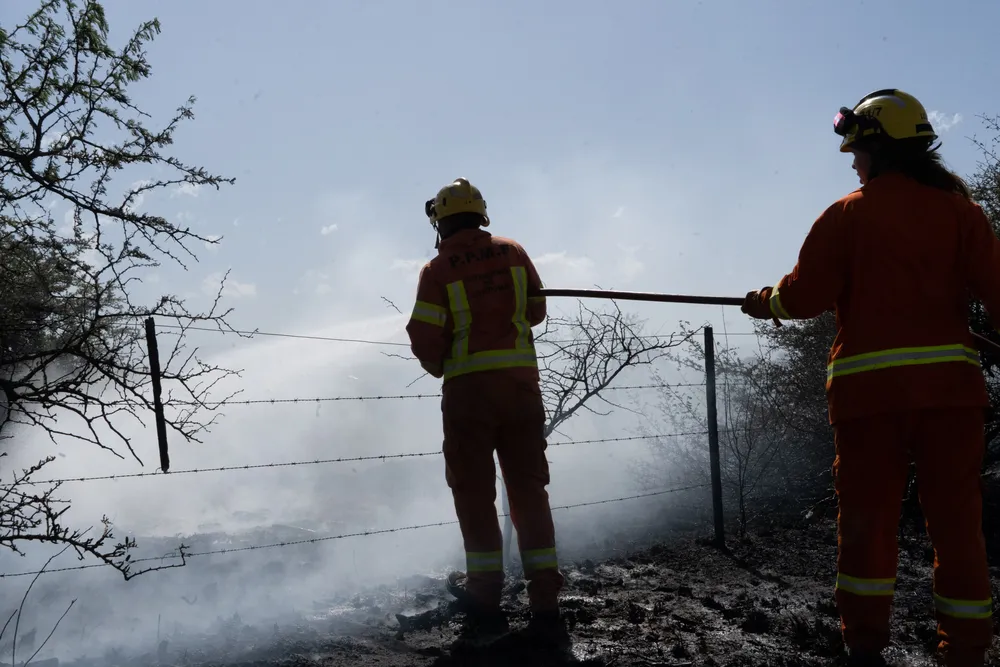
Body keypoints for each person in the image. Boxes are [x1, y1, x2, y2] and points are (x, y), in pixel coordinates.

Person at [740, 89, 999, 667]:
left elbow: (804, 297)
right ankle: (966, 652)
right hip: (952, 401)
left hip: (869, 403)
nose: (853, 162)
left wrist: (765, 302)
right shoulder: (964, 214)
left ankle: (863, 647)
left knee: (867, 526)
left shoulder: (847, 214)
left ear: (879, 149)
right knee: (958, 529)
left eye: (856, 151)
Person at [405, 177, 566, 645]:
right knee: (529, 492)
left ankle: (485, 601)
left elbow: (424, 337)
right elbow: (536, 310)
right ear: (481, 215)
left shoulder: (437, 269)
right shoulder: (513, 252)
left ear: (440, 222)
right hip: (520, 390)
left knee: (474, 495)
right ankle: (545, 602)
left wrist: (443, 365)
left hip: (469, 396)